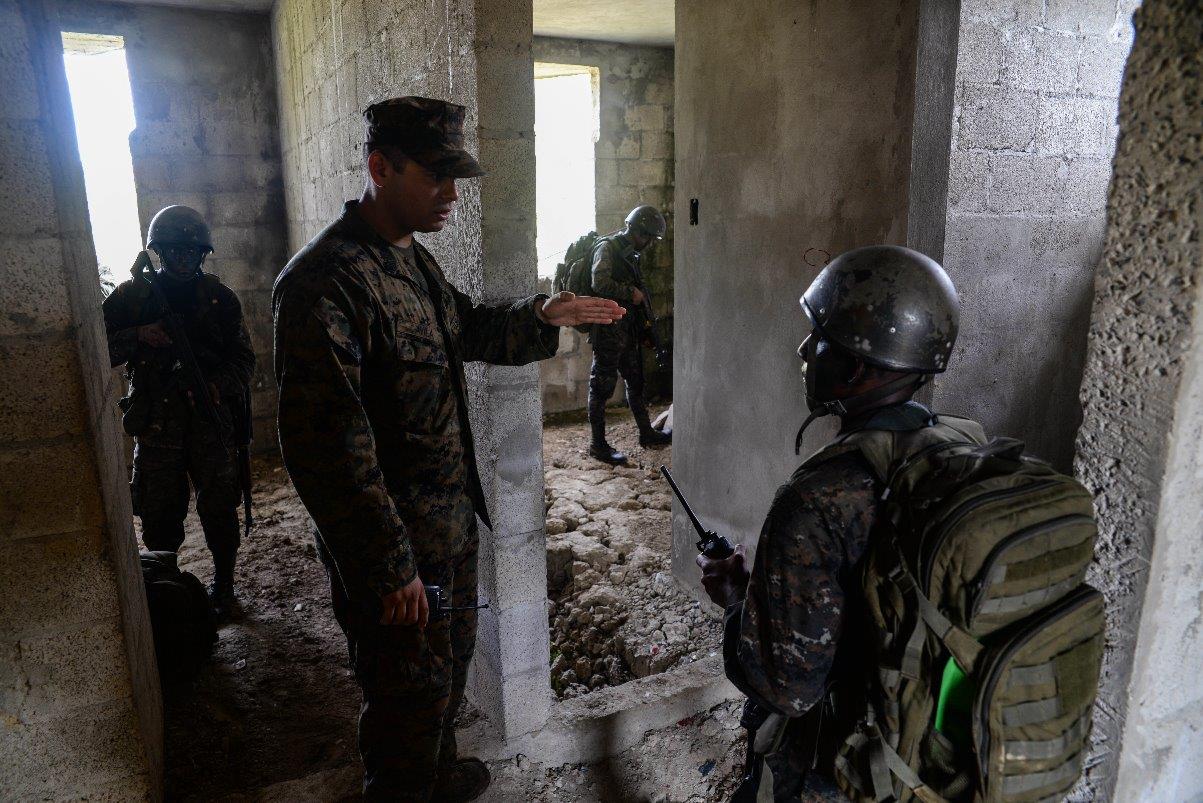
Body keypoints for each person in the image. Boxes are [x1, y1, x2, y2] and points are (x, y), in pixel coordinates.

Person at [272, 96, 624, 802]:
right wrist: (386, 564)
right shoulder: (325, 283)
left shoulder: (411, 263)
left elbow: (467, 328)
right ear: (379, 166)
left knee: (447, 669)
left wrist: (539, 313)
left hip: (448, 527)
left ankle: (434, 775)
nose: (451, 195)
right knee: (405, 695)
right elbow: (326, 450)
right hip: (398, 548)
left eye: (456, 177)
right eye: (435, 176)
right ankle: (405, 784)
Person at [696, 245, 960, 799]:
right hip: (933, 753)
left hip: (849, 767)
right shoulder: (958, 449)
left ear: (858, 367)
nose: (804, 349)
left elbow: (787, 687)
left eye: (818, 338)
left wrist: (735, 600)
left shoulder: (818, 499)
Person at [103, 205, 254, 620]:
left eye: (192, 251)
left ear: (202, 253)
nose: (184, 258)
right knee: (158, 513)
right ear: (159, 252)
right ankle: (165, 590)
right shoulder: (133, 298)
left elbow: (244, 360)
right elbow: (97, 346)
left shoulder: (221, 300)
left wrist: (217, 385)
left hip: (210, 421)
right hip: (157, 425)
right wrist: (139, 335)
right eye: (174, 250)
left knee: (220, 508)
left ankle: (224, 585)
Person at [587, 204, 672, 464]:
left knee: (636, 384)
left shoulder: (631, 254)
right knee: (601, 388)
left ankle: (646, 433)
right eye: (646, 237)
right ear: (635, 230)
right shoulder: (608, 248)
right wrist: (629, 293)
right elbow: (598, 282)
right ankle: (598, 445)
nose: (648, 243)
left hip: (627, 332)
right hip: (608, 332)